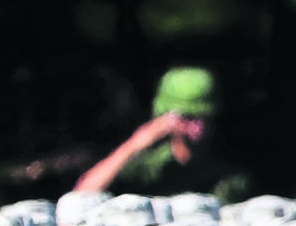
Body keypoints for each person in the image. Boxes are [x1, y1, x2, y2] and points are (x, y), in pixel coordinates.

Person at [72, 66, 247, 197]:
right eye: (187, 117)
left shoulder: (227, 175)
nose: (197, 127)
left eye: (204, 117)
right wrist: (134, 145)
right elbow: (81, 195)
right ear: (165, 118)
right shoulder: (148, 169)